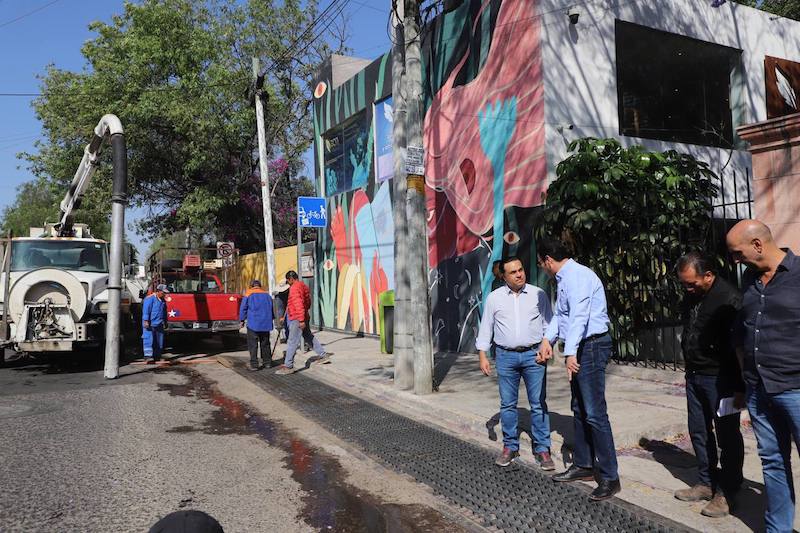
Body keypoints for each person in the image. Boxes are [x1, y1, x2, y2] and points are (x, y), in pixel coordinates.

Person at [727, 219, 800, 532]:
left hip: (795, 388)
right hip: (758, 389)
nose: (734, 259)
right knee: (772, 463)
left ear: (757, 244)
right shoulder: (750, 280)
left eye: (737, 252)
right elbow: (744, 329)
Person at [536, 237, 620, 501]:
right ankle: (584, 464)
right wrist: (547, 339)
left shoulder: (579, 276)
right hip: (580, 345)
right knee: (579, 407)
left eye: (541, 264)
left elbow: (580, 316)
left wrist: (570, 352)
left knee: (595, 412)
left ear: (548, 260)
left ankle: (609, 476)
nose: (542, 268)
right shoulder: (563, 280)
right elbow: (561, 316)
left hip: (592, 345)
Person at [673, 251, 744, 518]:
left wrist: (740, 387)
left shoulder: (729, 300)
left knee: (728, 436)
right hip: (695, 374)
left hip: (721, 379)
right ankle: (705, 481)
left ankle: (727, 492)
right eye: (684, 283)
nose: (688, 288)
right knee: (699, 431)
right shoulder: (693, 295)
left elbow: (737, 346)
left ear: (709, 275)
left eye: (692, 283)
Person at [476, 256, 554, 470]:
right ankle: (510, 446)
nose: (519, 274)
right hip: (505, 356)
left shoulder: (538, 294)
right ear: (504, 276)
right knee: (507, 404)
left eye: (521, 269)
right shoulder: (494, 298)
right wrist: (482, 354)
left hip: (533, 356)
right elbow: (486, 327)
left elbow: (549, 324)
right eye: (513, 272)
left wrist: (548, 347)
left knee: (538, 404)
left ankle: (542, 449)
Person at [275, 271, 330, 375]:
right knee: (308, 336)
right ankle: (323, 355)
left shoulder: (294, 288)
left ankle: (288, 366)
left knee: (292, 341)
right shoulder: (303, 286)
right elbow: (308, 302)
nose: (288, 283)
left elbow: (298, 304)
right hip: (303, 315)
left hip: (297, 318)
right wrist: (304, 315)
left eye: (288, 281)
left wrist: (300, 320)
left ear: (291, 279)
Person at [240, 279, 274, 371]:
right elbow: (272, 308)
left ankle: (254, 365)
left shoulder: (248, 294)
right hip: (266, 324)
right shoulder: (267, 295)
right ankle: (267, 363)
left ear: (251, 286)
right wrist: (272, 318)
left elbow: (243, 308)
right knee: (265, 344)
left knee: (253, 345)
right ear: (260, 286)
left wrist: (242, 320)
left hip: (253, 324)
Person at [142, 284, 169, 364]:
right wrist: (146, 320)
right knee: (148, 339)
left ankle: (157, 356)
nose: (165, 294)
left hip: (159, 323)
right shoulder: (149, 299)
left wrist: (165, 321)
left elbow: (164, 312)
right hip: (150, 323)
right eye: (163, 292)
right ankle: (148, 356)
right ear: (158, 291)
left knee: (158, 340)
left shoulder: (163, 300)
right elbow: (146, 310)